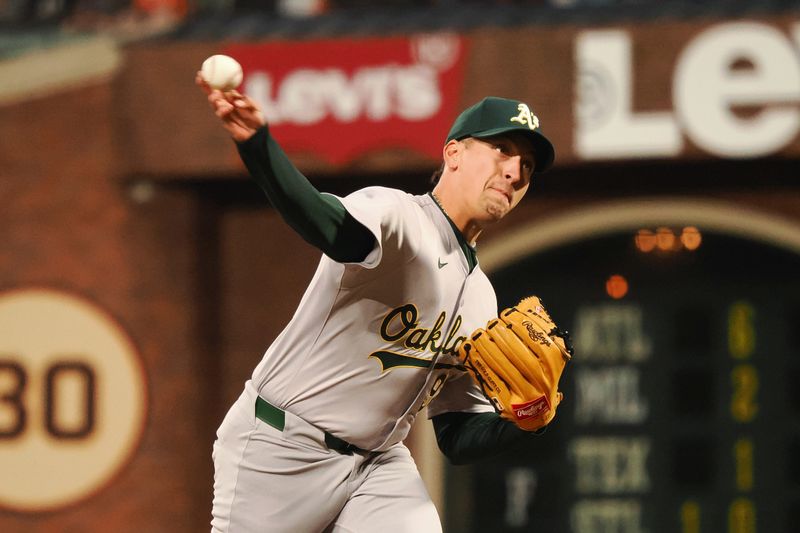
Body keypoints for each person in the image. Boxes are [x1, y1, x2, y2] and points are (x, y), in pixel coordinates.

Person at [197, 73, 556, 533]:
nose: (515, 171)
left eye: (527, 164)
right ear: (454, 153)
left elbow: (457, 434)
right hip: (282, 446)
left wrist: (523, 423)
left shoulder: (482, 298)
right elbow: (327, 226)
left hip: (377, 464)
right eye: (502, 150)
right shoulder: (397, 216)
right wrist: (260, 148)